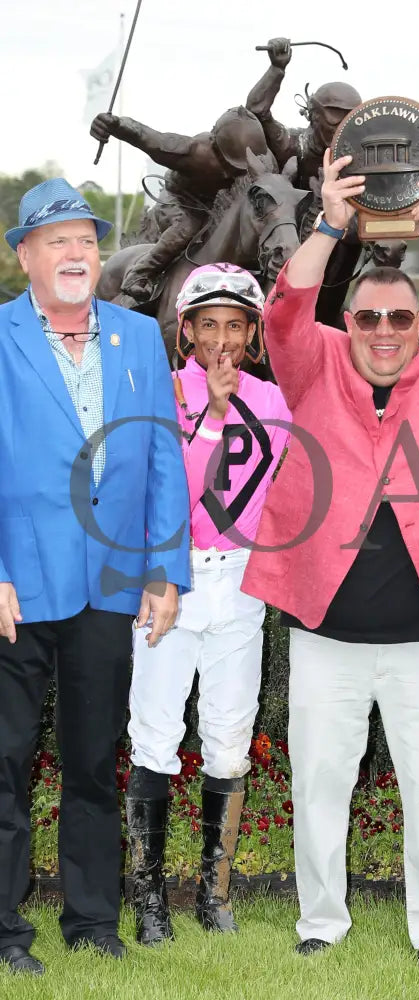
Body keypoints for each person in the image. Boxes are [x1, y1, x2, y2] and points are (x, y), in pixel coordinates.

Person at [241, 151, 419, 963]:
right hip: (326, 632)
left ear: (418, 326)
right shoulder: (314, 365)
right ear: (349, 324)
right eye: (370, 319)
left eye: (401, 319)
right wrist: (329, 223)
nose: (386, 333)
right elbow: (284, 312)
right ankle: (320, 922)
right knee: (318, 784)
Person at [0, 178, 190, 975]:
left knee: (92, 760)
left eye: (85, 240)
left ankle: (92, 921)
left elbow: (162, 456)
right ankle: (7, 935)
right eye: (57, 242)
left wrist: (164, 570)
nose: (76, 254)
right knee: (4, 764)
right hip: (17, 589)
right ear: (24, 256)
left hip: (109, 586)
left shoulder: (139, 337)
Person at [125, 264, 290, 945]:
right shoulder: (161, 395)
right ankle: (148, 898)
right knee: (156, 738)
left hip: (241, 584)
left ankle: (214, 894)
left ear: (252, 333)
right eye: (208, 325)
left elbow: (272, 498)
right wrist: (215, 416)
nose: (221, 340)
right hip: (173, 581)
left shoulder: (276, 404)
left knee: (228, 742)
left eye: (235, 326)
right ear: (186, 331)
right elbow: (175, 497)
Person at [89, 106, 270, 307]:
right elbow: (151, 139)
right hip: (176, 199)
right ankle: (140, 274)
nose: (231, 175)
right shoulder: (194, 151)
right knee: (186, 228)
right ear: (217, 147)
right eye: (231, 166)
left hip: (207, 207)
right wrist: (116, 125)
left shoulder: (250, 152)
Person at [246, 37, 361, 188]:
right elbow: (256, 112)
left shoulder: (361, 152)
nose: (343, 128)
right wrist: (276, 69)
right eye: (335, 118)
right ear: (313, 115)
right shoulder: (293, 145)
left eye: (351, 120)